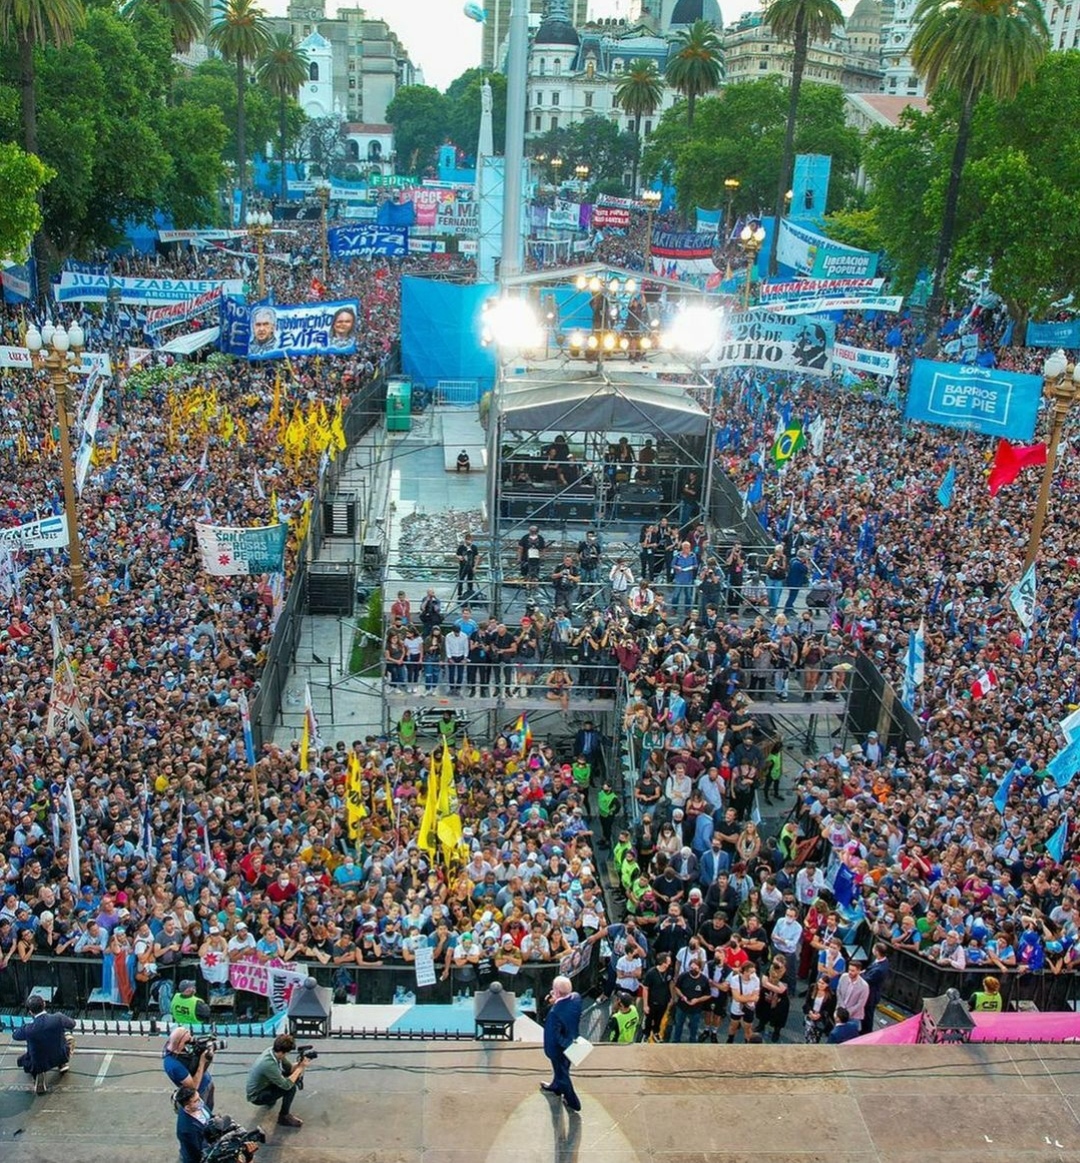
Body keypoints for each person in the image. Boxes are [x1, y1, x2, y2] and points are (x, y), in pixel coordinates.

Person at [13, 994, 75, 1094]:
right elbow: (72, 1024)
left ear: (30, 1012)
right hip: (60, 1055)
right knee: (68, 1037)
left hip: (39, 1064)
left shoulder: (28, 1029)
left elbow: (15, 1036)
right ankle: (62, 1063)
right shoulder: (58, 1017)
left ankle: (39, 1073)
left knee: (27, 1056)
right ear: (44, 1004)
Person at [245, 1033, 308, 1128]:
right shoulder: (268, 1064)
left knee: (288, 1076)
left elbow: (289, 1069)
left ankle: (270, 1100)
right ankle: (284, 1117)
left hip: (264, 1085)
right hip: (256, 1096)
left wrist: (300, 1063)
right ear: (283, 1052)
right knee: (291, 1088)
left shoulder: (273, 1051)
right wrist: (300, 1068)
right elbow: (287, 1085)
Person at [541, 974, 583, 1113]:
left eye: (553, 990)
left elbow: (554, 1036)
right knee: (562, 1070)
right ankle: (556, 1087)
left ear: (557, 993)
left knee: (562, 1075)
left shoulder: (554, 1013)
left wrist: (552, 1052)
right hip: (573, 1041)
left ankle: (573, 1102)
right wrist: (557, 1000)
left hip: (561, 1049)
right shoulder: (576, 998)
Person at [163, 1025, 216, 1110]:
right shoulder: (174, 1065)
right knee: (203, 1113)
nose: (190, 1043)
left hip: (206, 1082)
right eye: (187, 1042)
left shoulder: (173, 1045)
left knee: (209, 1109)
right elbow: (193, 1088)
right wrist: (202, 1062)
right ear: (180, 1043)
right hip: (198, 1094)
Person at [174, 1084, 213, 1163]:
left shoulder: (197, 1107)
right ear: (187, 1107)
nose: (200, 1101)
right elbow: (196, 1152)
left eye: (199, 1097)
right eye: (196, 1101)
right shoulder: (188, 1129)